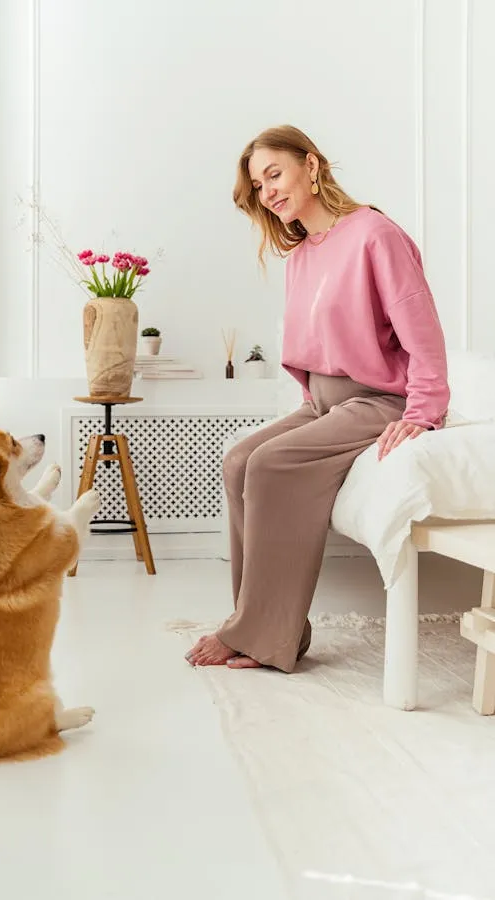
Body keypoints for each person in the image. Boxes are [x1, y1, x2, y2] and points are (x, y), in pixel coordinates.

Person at [186, 125, 449, 671]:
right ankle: (267, 624)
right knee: (238, 461)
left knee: (272, 463)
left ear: (311, 165)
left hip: (379, 397)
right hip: (324, 403)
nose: (268, 192)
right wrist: (314, 402)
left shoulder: (375, 234)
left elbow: (422, 332)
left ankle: (258, 635)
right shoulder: (302, 255)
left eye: (274, 174)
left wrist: (424, 412)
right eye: (259, 186)